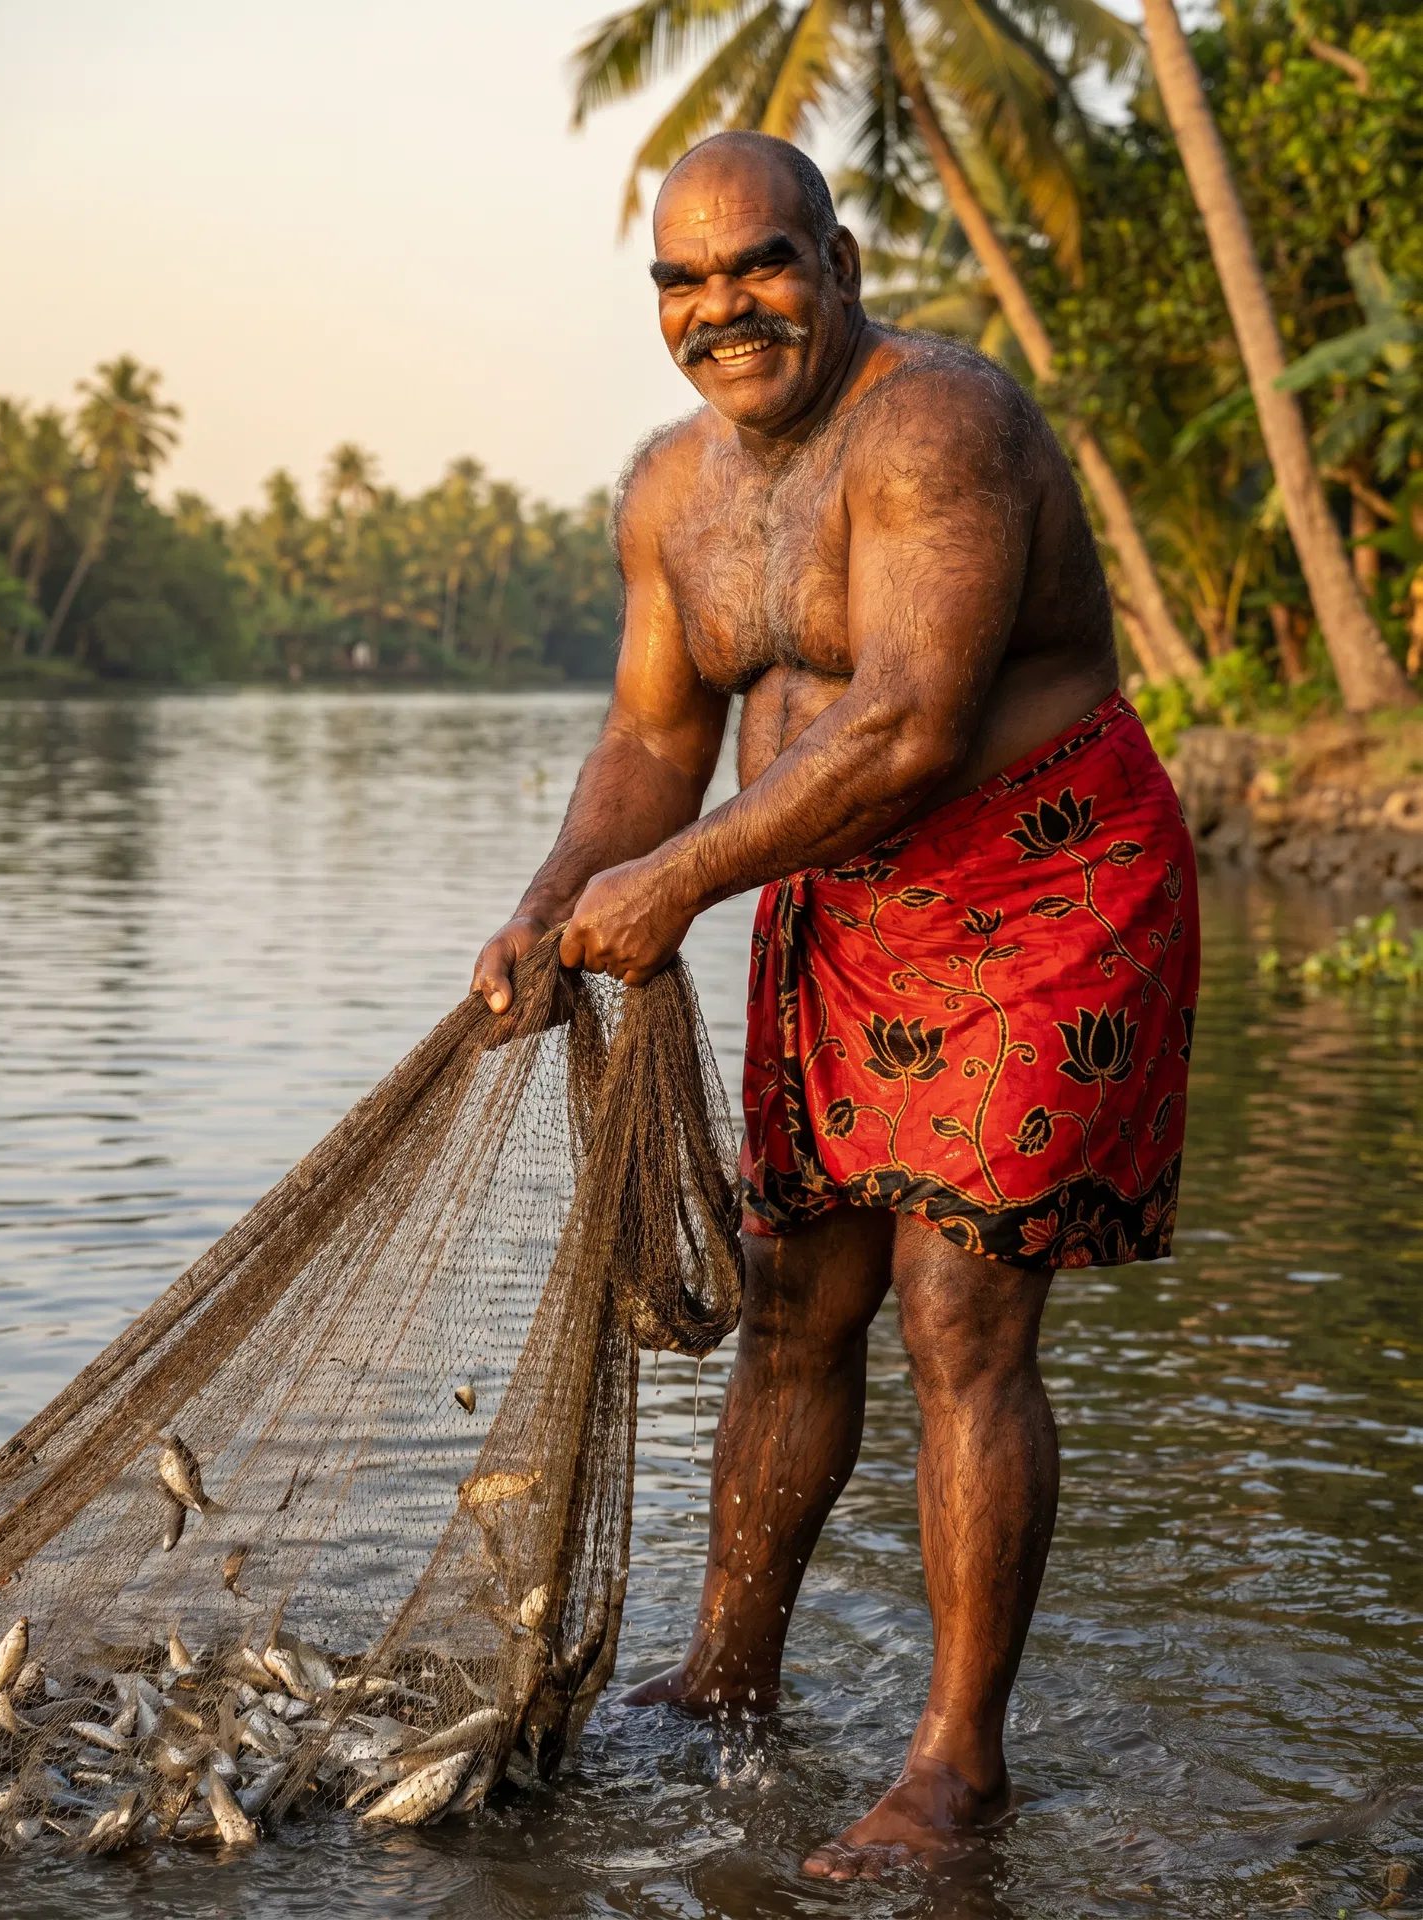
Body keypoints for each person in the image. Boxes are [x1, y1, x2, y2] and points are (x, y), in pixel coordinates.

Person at [473, 130, 1199, 1879]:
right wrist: (553, 898)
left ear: (840, 259)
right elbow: (657, 740)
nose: (725, 308)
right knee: (798, 1303)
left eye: (762, 264)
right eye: (684, 280)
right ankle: (730, 1676)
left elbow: (908, 725)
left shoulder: (939, 427)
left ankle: (957, 1769)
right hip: (835, 907)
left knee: (961, 1320)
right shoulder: (671, 491)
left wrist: (677, 889)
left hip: (1038, 891)